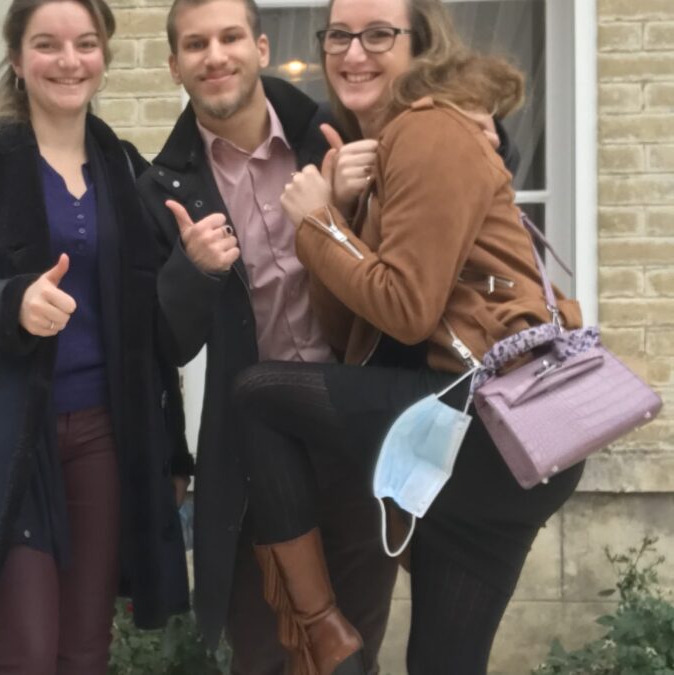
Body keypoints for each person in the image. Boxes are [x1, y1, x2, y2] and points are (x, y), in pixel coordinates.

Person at [137, 1, 515, 673]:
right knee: (260, 651)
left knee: (351, 654)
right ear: (174, 65)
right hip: (254, 455)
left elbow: (447, 172)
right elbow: (168, 344)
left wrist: (491, 133)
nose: (215, 56)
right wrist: (191, 272)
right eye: (195, 45)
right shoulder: (164, 186)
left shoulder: (335, 129)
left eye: (230, 37)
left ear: (260, 46)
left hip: (356, 435)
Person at [229, 0, 585, 672]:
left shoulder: (428, 130)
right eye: (338, 34)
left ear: (422, 47)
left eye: (378, 35)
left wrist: (315, 227)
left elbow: (408, 308)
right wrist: (343, 212)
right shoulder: (397, 141)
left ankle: (319, 627)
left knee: (257, 394)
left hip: (480, 419)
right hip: (512, 444)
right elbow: (348, 333)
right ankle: (324, 631)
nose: (352, 53)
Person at [0, 1, 192, 673]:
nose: (68, 61)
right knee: (26, 650)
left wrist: (171, 448)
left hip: (101, 434)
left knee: (84, 647)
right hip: (5, 435)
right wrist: (10, 302)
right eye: (47, 44)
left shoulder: (120, 164)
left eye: (85, 44)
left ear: (105, 56)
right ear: (17, 55)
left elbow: (149, 329)